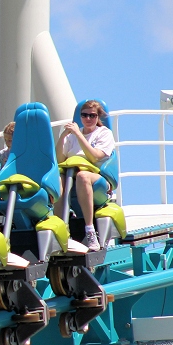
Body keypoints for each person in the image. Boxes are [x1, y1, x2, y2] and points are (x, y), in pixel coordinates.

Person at [56, 99, 116, 251]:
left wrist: (78, 134)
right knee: (58, 179)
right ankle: (60, 229)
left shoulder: (104, 133)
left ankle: (90, 230)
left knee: (83, 176)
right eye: (84, 115)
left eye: (92, 115)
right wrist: (63, 136)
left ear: (98, 117)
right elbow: (59, 159)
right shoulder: (71, 136)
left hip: (96, 176)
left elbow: (94, 156)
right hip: (71, 174)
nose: (88, 119)